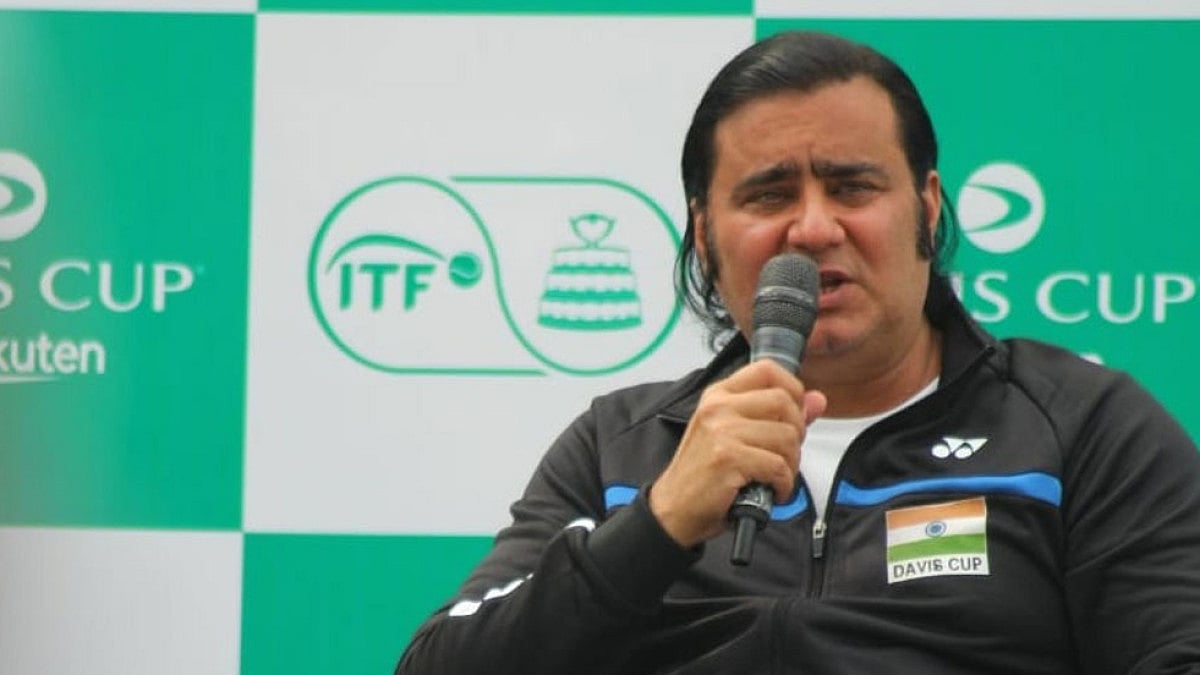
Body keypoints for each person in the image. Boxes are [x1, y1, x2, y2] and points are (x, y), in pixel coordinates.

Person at [396, 31, 1200, 673]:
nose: (813, 228)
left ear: (926, 209)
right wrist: (660, 523)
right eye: (769, 194)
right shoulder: (622, 446)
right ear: (705, 235)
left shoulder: (1081, 425)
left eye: (852, 187)